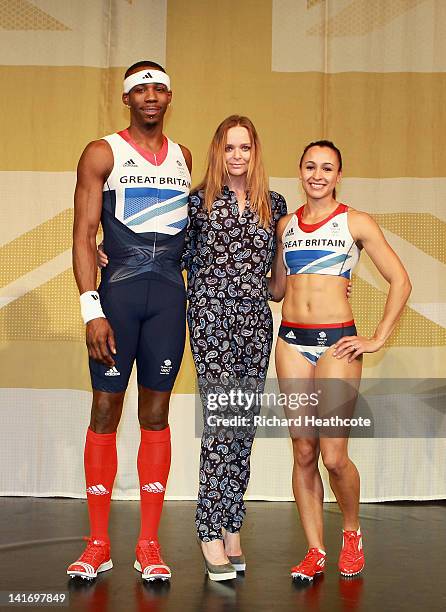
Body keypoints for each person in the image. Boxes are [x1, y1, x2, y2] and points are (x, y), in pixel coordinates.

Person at [68, 60, 192, 582]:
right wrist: (91, 309)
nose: (150, 95)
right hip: (116, 301)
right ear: (126, 99)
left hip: (168, 300)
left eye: (159, 87)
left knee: (156, 416)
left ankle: (148, 544)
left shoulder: (184, 157)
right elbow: (82, 235)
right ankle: (98, 544)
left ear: (169, 96)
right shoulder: (102, 152)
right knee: (104, 410)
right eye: (140, 88)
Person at [270, 140, 411, 580]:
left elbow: (401, 281)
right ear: (300, 171)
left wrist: (376, 338)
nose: (318, 174)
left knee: (333, 456)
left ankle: (351, 531)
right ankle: (315, 551)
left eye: (327, 168)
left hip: (337, 345)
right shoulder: (285, 225)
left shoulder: (356, 222)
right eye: (310, 166)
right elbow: (276, 288)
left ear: (338, 175)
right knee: (303, 450)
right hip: (291, 341)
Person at [183, 116, 288, 580]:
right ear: (218, 151)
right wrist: (110, 250)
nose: (238, 155)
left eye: (245, 147)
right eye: (230, 147)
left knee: (243, 428)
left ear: (256, 150)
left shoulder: (275, 203)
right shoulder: (198, 202)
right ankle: (208, 529)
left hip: (256, 323)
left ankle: (231, 527)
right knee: (221, 424)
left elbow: (279, 284)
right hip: (211, 320)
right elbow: (169, 256)